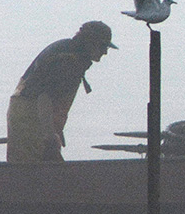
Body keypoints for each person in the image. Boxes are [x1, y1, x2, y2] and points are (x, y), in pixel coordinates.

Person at [7, 21, 117, 162]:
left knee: (40, 167)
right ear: (90, 42)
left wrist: (55, 130)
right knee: (31, 170)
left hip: (32, 115)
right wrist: (50, 134)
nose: (105, 52)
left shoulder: (69, 52)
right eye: (103, 46)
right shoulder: (68, 61)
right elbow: (44, 97)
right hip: (30, 119)